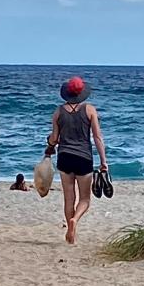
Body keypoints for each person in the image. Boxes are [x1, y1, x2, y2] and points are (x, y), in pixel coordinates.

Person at [46, 75, 108, 244]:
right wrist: (103, 161)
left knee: (69, 198)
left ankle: (70, 233)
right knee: (85, 199)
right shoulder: (89, 110)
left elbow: (54, 138)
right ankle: (75, 220)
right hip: (84, 158)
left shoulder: (58, 112)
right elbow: (97, 137)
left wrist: (49, 144)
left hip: (64, 157)